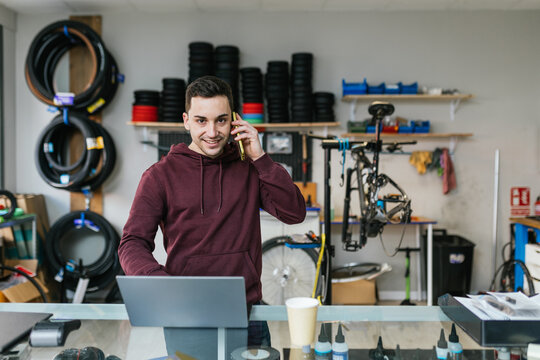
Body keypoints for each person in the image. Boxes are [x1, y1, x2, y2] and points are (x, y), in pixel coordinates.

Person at [118, 75, 306, 355]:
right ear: (186, 121)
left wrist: (261, 157)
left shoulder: (250, 167)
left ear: (234, 120)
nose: (212, 131)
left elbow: (294, 213)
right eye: (201, 121)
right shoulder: (159, 176)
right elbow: (132, 243)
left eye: (221, 120)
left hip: (249, 314)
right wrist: (162, 284)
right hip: (186, 315)